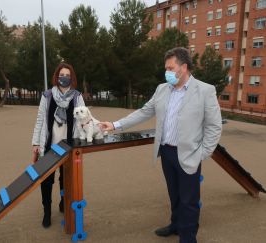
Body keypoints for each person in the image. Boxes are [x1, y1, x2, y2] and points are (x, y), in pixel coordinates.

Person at [99, 47, 222, 243]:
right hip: (166, 152)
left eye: (170, 67)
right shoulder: (162, 89)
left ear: (183, 67)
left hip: (189, 154)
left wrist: (202, 154)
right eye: (166, 68)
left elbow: (214, 127)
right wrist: (114, 125)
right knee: (174, 195)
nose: (167, 72)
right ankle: (175, 225)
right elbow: (144, 112)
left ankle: (188, 238)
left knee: (189, 201)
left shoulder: (205, 91)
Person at [32, 63, 85, 228]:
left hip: (69, 145)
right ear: (56, 76)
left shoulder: (77, 96)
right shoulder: (47, 95)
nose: (64, 77)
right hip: (49, 145)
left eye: (67, 75)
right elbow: (40, 119)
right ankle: (46, 211)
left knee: (65, 178)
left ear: (72, 78)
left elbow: (84, 118)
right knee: (46, 180)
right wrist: (35, 142)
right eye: (61, 74)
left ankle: (63, 202)